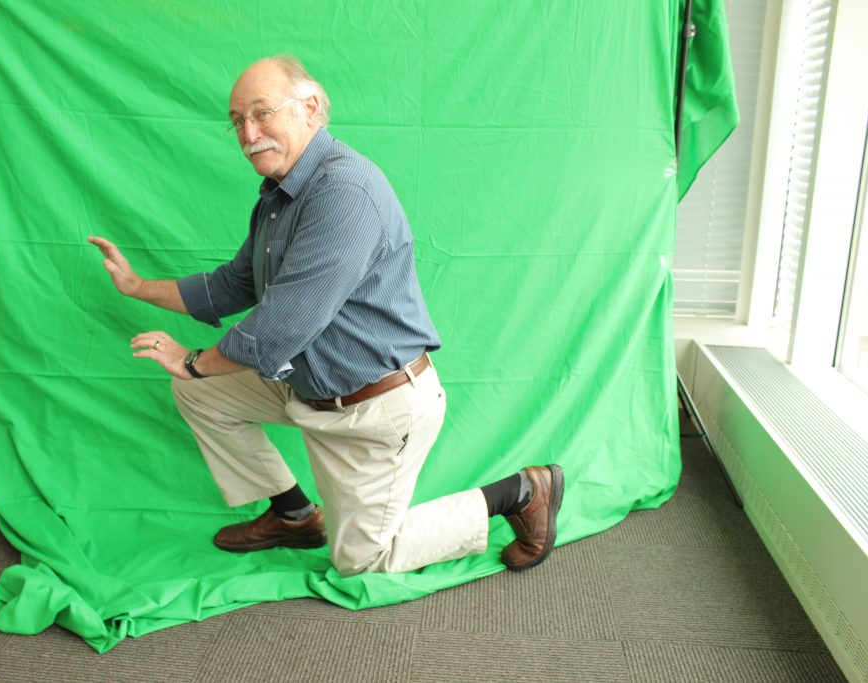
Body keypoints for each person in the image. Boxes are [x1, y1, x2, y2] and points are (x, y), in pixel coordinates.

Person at [89, 54, 564, 577]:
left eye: (263, 113)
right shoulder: (278, 195)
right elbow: (236, 284)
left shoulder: (344, 191)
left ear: (311, 107)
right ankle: (293, 515)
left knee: (362, 560)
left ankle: (521, 492)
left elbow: (280, 327)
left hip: (376, 409)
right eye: (238, 121)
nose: (249, 133)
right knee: (198, 394)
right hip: (309, 388)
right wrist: (136, 287)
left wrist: (195, 360)